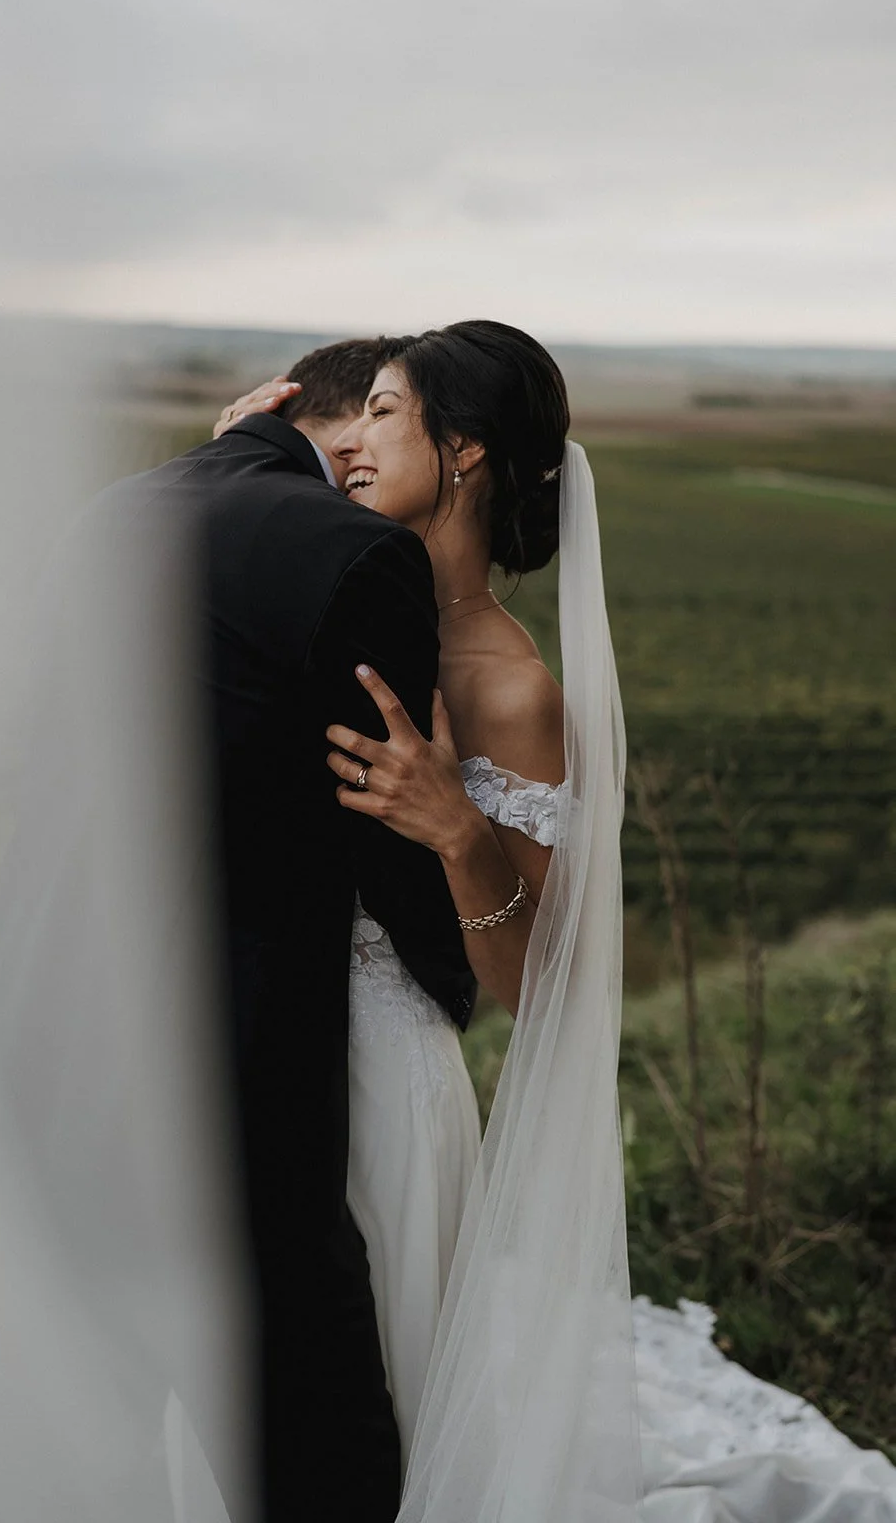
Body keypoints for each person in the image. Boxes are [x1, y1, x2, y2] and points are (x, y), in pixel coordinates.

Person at [219, 322, 640, 1521]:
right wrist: (226, 466)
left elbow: (534, 984)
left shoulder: (510, 690)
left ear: (460, 454)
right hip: (258, 1042)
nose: (348, 441)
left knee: (373, 1413)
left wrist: (455, 828)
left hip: (384, 1086)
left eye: (385, 415)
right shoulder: (343, 598)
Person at [112, 335, 479, 1523]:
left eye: (395, 415)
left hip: (152, 994)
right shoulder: (352, 554)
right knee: (327, 1349)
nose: (368, 448)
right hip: (303, 1014)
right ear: (311, 418)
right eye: (363, 416)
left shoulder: (135, 507)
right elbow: (362, 816)